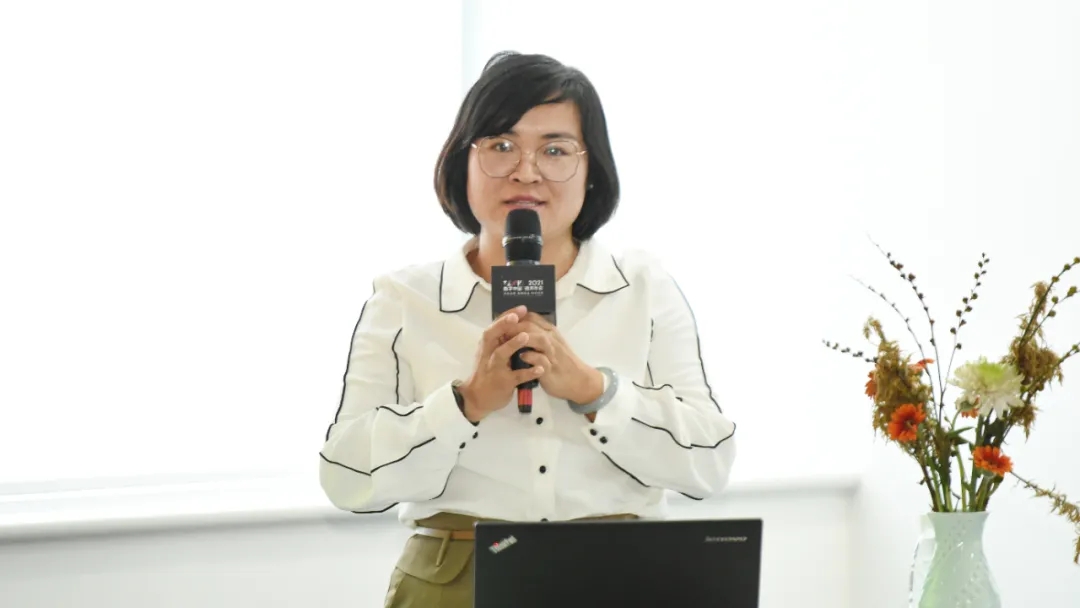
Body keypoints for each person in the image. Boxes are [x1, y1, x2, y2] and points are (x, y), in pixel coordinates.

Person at [318, 51, 737, 608]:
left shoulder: (644, 288)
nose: (526, 171)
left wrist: (596, 391)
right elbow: (347, 477)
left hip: (621, 578)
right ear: (462, 164)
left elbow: (709, 462)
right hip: (455, 581)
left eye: (555, 150)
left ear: (592, 171)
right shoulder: (404, 299)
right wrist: (466, 403)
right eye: (501, 145)